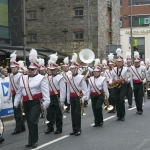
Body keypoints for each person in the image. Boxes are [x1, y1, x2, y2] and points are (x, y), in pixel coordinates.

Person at [14, 49, 50, 148]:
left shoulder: (41, 78)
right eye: (29, 69)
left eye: (32, 69)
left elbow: (46, 93)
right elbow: (20, 91)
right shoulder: (23, 78)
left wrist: (45, 104)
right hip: (26, 102)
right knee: (29, 122)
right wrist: (16, 102)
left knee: (32, 120)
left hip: (36, 102)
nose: (30, 71)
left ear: (37, 70)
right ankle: (30, 140)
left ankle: (34, 141)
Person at [44, 53, 66, 134]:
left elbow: (63, 90)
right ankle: (50, 128)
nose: (51, 71)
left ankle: (59, 129)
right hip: (50, 97)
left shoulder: (60, 78)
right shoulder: (48, 78)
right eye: (50, 69)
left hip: (57, 97)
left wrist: (62, 100)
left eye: (53, 70)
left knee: (58, 114)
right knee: (49, 113)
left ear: (56, 69)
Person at [67, 53, 88, 136]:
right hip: (72, 97)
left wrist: (84, 97)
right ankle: (74, 129)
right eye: (71, 69)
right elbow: (68, 88)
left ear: (76, 69)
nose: (71, 70)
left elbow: (84, 89)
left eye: (73, 68)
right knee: (72, 113)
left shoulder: (81, 77)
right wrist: (67, 97)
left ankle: (78, 129)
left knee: (77, 113)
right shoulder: (69, 77)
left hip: (78, 97)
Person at [7, 51, 26, 135]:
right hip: (14, 95)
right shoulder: (10, 76)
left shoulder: (20, 76)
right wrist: (8, 97)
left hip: (20, 95)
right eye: (12, 67)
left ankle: (18, 128)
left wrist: (21, 98)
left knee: (18, 113)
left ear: (17, 68)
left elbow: (22, 88)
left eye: (14, 67)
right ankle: (22, 127)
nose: (12, 69)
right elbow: (10, 87)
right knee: (16, 112)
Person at [88, 59, 109, 127]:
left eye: (97, 72)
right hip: (93, 95)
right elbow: (89, 88)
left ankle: (100, 121)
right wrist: (87, 97)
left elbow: (105, 89)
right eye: (94, 72)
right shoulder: (90, 79)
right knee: (94, 108)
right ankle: (96, 121)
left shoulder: (103, 79)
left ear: (99, 72)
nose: (95, 73)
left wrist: (107, 96)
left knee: (98, 107)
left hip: (100, 95)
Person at [111, 48, 129, 121]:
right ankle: (119, 115)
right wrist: (113, 81)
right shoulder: (114, 69)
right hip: (116, 86)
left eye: (120, 62)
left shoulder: (125, 69)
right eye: (117, 62)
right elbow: (112, 78)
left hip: (123, 85)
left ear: (122, 62)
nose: (118, 63)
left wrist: (124, 79)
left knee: (121, 100)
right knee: (117, 100)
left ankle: (123, 115)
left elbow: (127, 78)